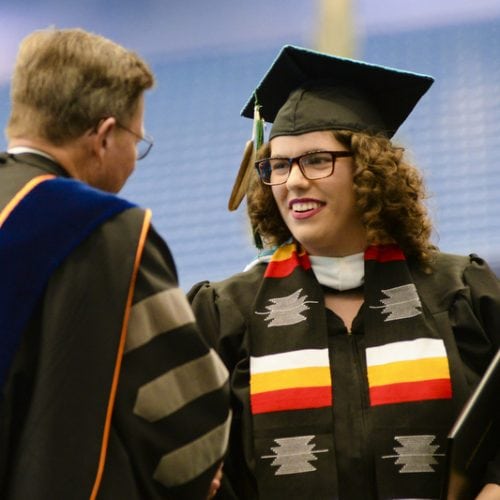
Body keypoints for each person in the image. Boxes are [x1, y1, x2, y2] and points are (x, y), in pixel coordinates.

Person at [188, 45, 500, 499]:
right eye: (277, 164)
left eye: (317, 159)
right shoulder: (227, 314)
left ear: (372, 170)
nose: (293, 180)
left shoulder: (461, 293)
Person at [0, 28, 231, 499]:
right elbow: (187, 427)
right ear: (104, 136)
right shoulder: (107, 233)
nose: (135, 157)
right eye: (136, 141)